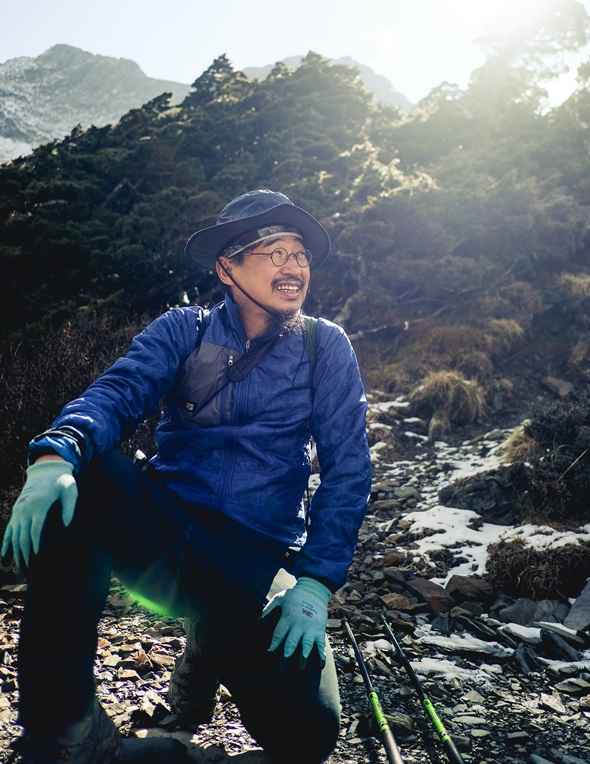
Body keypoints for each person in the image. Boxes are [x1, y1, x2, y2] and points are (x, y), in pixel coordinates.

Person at [2, 190, 372, 764]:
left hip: (255, 557)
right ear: (227, 268)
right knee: (87, 476)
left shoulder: (326, 347)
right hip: (168, 536)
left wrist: (316, 584)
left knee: (309, 736)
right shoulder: (185, 330)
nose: (294, 267)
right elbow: (119, 391)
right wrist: (56, 455)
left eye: (300, 254)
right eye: (275, 252)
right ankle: (64, 731)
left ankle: (206, 656)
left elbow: (349, 469)